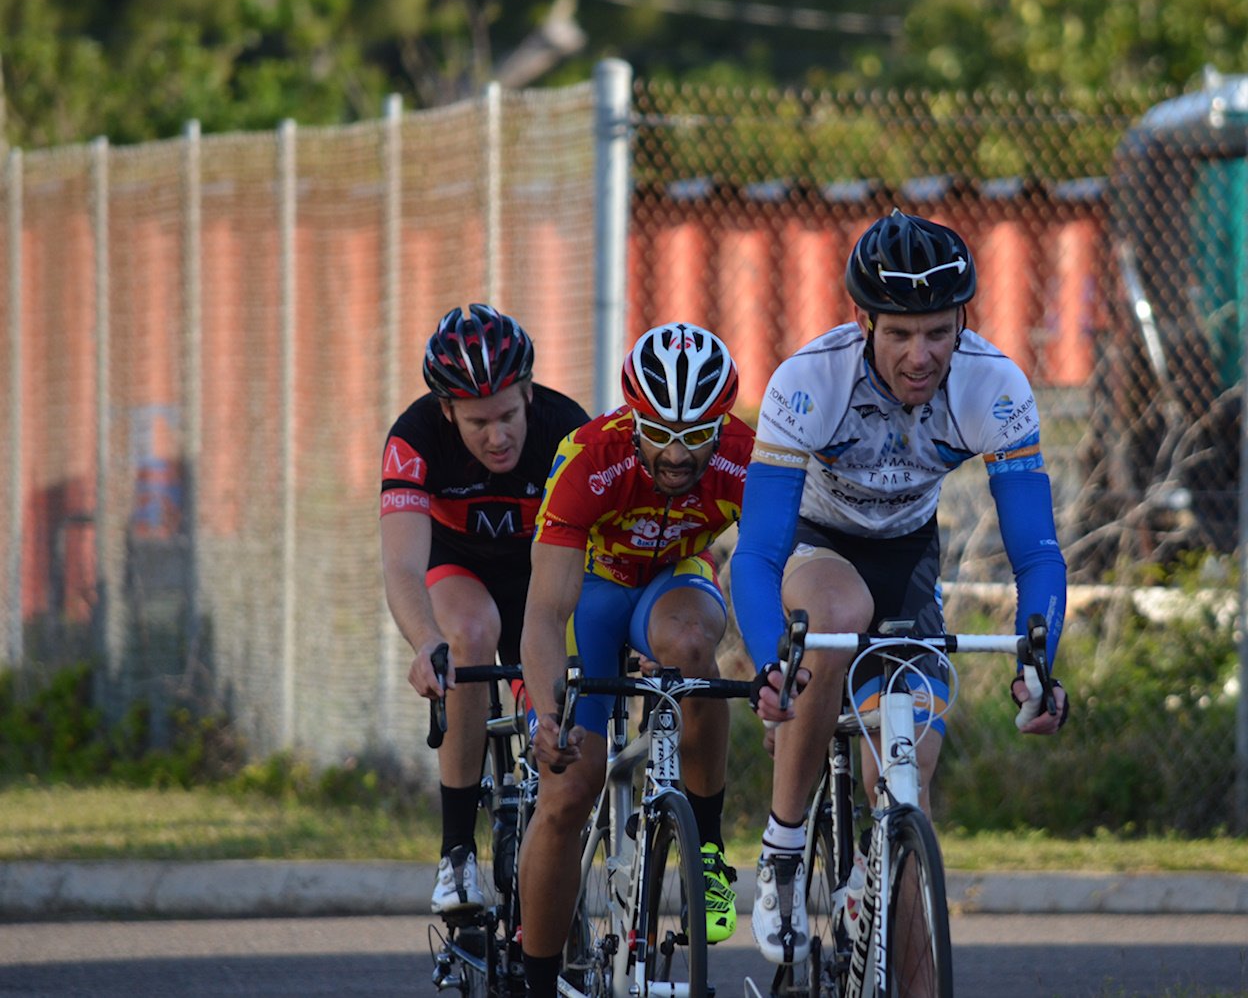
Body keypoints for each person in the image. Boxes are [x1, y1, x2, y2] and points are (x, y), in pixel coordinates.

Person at [729, 210, 1070, 963]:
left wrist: (1039, 663)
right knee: (838, 612)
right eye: (899, 334)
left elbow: (1037, 554)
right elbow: (754, 555)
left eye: (938, 333)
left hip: (910, 557)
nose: (921, 356)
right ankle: (783, 850)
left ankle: (873, 878)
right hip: (819, 547)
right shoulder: (809, 382)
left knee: (906, 800)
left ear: (963, 323)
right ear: (863, 322)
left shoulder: (995, 387)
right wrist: (768, 660)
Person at [517, 322, 756, 997]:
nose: (679, 455)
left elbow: (774, 565)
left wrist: (778, 668)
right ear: (632, 418)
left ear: (722, 425)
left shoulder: (745, 455)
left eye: (697, 436)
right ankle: (536, 982)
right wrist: (546, 713)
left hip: (675, 577)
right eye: (661, 434)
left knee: (693, 653)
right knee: (569, 787)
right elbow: (543, 615)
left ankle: (706, 850)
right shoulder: (592, 457)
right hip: (594, 588)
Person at [380, 303, 589, 916]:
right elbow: (401, 565)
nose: (497, 437)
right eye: (477, 423)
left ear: (528, 392)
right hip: (458, 567)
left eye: (507, 415)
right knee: (467, 635)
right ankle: (456, 854)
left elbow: (602, 549)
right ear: (447, 411)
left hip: (539, 578)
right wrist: (425, 643)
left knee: (555, 701)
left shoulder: (566, 427)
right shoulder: (414, 436)